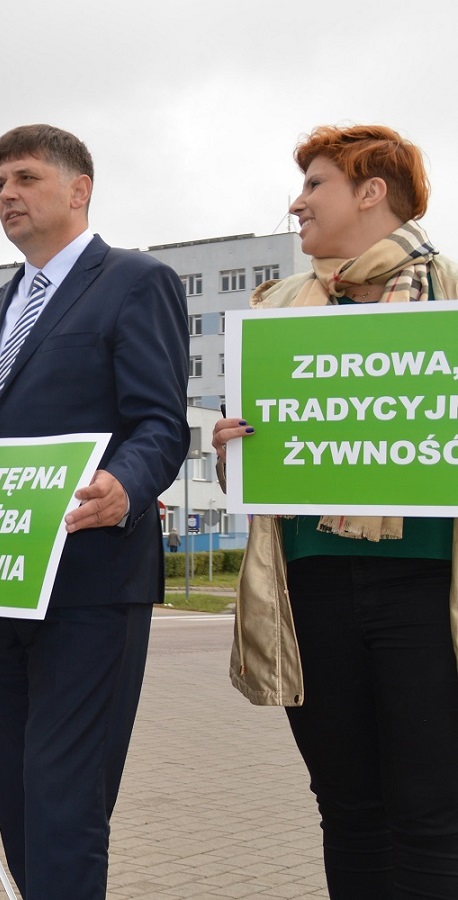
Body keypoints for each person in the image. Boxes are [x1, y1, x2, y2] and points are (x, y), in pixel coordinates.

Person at [0, 124, 189, 898]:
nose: (6, 194)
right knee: (22, 802)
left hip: (93, 584)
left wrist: (125, 484)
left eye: (25, 178)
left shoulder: (136, 281)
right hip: (2, 586)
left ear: (79, 189)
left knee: (66, 803)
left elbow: (162, 425)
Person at [216, 124, 458, 898]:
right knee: (347, 809)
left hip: (427, 592)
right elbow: (262, 472)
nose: (298, 203)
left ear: (370, 191)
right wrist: (233, 449)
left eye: (315, 184)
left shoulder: (450, 295)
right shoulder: (280, 311)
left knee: (431, 813)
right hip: (312, 590)